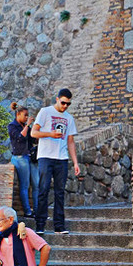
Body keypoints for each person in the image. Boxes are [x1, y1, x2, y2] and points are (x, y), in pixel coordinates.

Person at [32, 89, 81, 235]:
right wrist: (50, 134)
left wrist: (76, 163)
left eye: (68, 104)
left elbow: (71, 141)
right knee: (43, 190)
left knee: (60, 193)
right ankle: (40, 225)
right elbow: (33, 133)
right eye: (63, 102)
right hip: (46, 157)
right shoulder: (45, 112)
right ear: (57, 99)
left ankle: (59, 226)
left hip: (62, 158)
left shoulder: (69, 118)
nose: (65, 106)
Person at [9, 106, 39, 217]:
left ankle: (37, 210)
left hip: (30, 157)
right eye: (25, 115)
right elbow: (19, 138)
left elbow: (32, 140)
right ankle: (27, 211)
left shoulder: (26, 127)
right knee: (25, 185)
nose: (27, 117)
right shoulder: (12, 126)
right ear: (18, 114)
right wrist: (27, 125)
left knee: (36, 184)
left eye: (27, 115)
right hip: (20, 157)